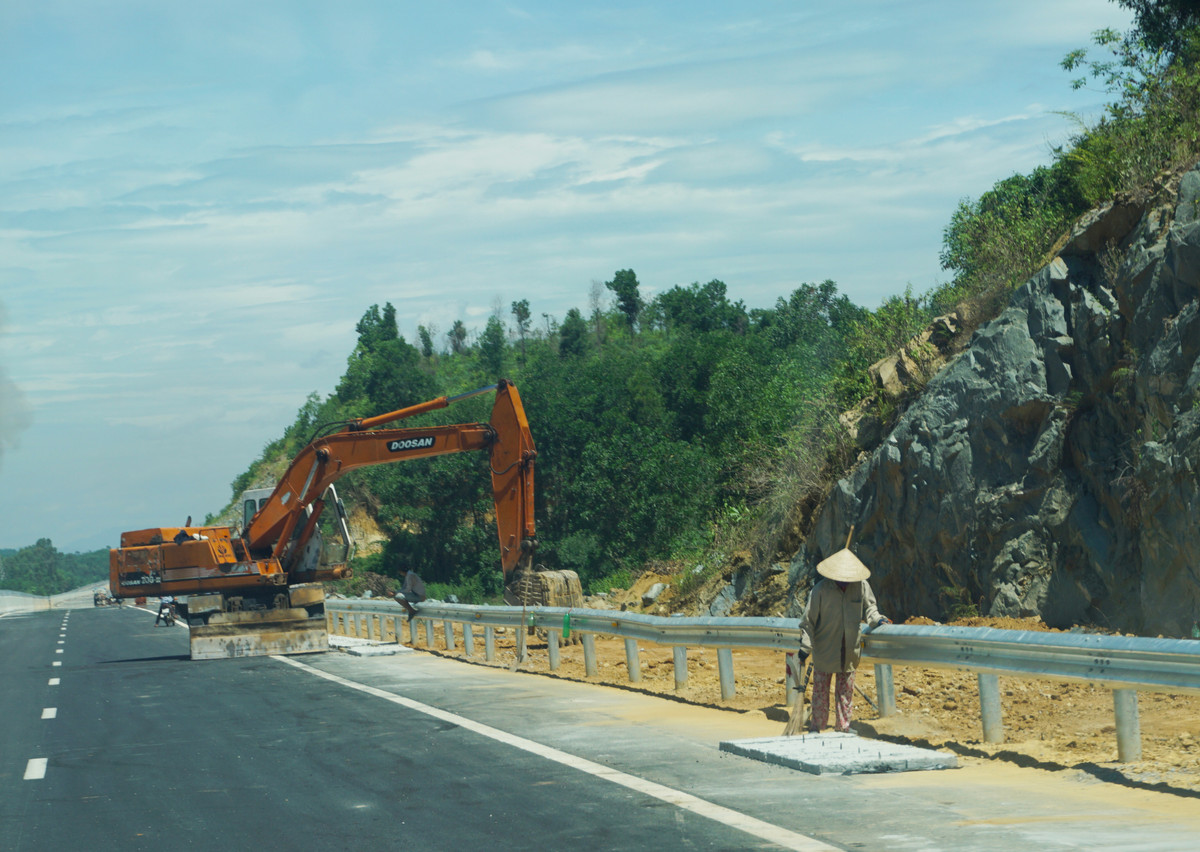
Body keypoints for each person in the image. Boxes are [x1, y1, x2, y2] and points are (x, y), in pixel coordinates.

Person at [798, 548, 890, 733]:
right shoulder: (820, 590)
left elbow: (870, 608)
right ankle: (817, 727)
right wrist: (805, 647)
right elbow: (808, 622)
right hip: (825, 651)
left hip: (849, 651)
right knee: (820, 693)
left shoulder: (861, 586)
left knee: (845, 693)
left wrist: (878, 619)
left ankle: (843, 728)